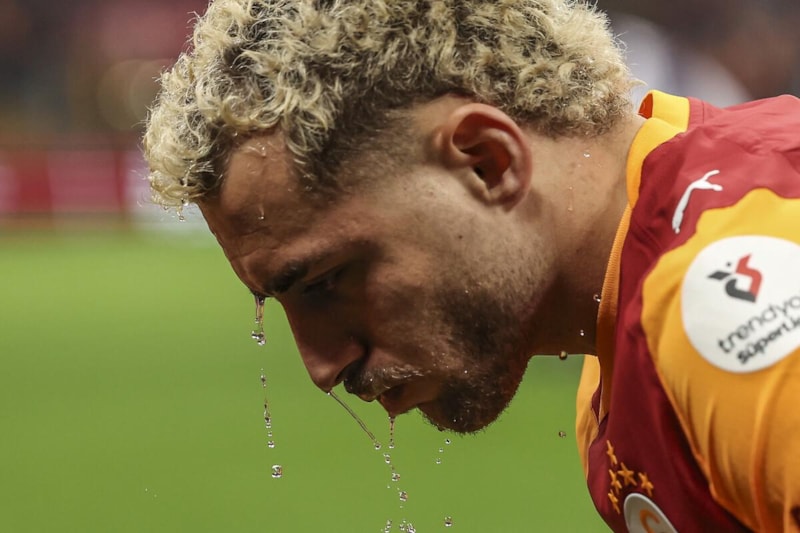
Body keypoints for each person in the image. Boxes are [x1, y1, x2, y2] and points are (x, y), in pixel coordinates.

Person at [143, 1, 800, 531]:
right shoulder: (620, 345)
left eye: (326, 282)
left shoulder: (728, 305)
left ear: (488, 163)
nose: (321, 367)